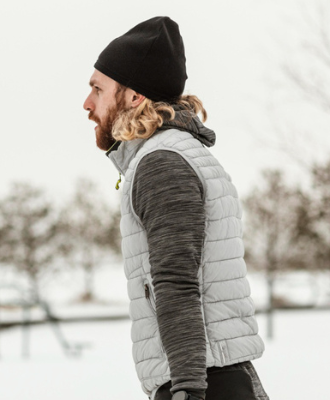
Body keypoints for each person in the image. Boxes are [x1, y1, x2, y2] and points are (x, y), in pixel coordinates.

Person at [83, 16, 269, 400]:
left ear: (134, 96)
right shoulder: (175, 154)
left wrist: (185, 388)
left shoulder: (162, 163)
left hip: (201, 382)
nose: (87, 104)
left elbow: (176, 285)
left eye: (97, 89)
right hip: (213, 378)